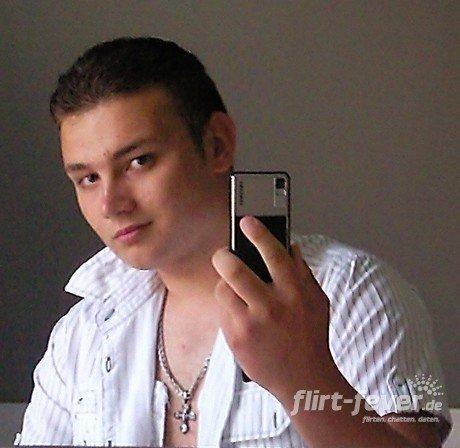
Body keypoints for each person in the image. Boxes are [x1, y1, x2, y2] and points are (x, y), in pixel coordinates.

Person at [15, 36, 452, 447]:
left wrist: (303, 378)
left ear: (217, 144)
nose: (111, 204)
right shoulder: (81, 335)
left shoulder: (355, 289)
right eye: (88, 178)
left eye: (139, 161)